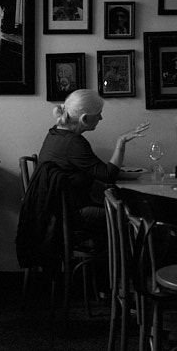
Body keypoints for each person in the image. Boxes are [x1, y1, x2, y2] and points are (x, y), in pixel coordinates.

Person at [39, 89, 149, 248]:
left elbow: (94, 170)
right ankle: (131, 269)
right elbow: (108, 175)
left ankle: (113, 266)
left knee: (122, 208)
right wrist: (121, 142)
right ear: (84, 118)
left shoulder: (54, 134)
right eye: (98, 114)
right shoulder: (74, 143)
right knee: (133, 218)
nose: (101, 118)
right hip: (72, 214)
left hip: (55, 211)